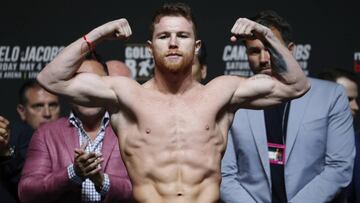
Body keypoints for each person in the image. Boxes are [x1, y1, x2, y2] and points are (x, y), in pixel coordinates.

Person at [36, 3, 309, 203]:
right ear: (150, 48)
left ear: (197, 46)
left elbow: (296, 85)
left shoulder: (222, 92)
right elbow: (51, 79)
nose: (174, 43)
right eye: (164, 37)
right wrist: (98, 33)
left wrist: (265, 34)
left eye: (183, 36)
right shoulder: (126, 95)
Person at [220, 10, 355, 203]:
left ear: (289, 50)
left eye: (270, 48)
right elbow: (225, 175)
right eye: (254, 51)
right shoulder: (233, 101)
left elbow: (339, 167)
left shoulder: (331, 96)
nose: (264, 58)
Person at [19, 59, 133, 203]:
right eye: (79, 83)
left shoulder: (132, 130)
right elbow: (27, 194)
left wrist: (103, 181)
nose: (88, 90)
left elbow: (149, 190)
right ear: (67, 89)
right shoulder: (46, 134)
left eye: (96, 83)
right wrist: (73, 174)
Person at [0, 80, 60, 202]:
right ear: (22, 111)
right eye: (38, 106)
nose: (47, 113)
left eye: (53, 105)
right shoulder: (8, 137)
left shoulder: (71, 134)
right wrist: (6, 152)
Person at [318, 69, 360, 203]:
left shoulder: (357, 143)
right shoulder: (292, 139)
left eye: (355, 99)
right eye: (348, 99)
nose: (356, 107)